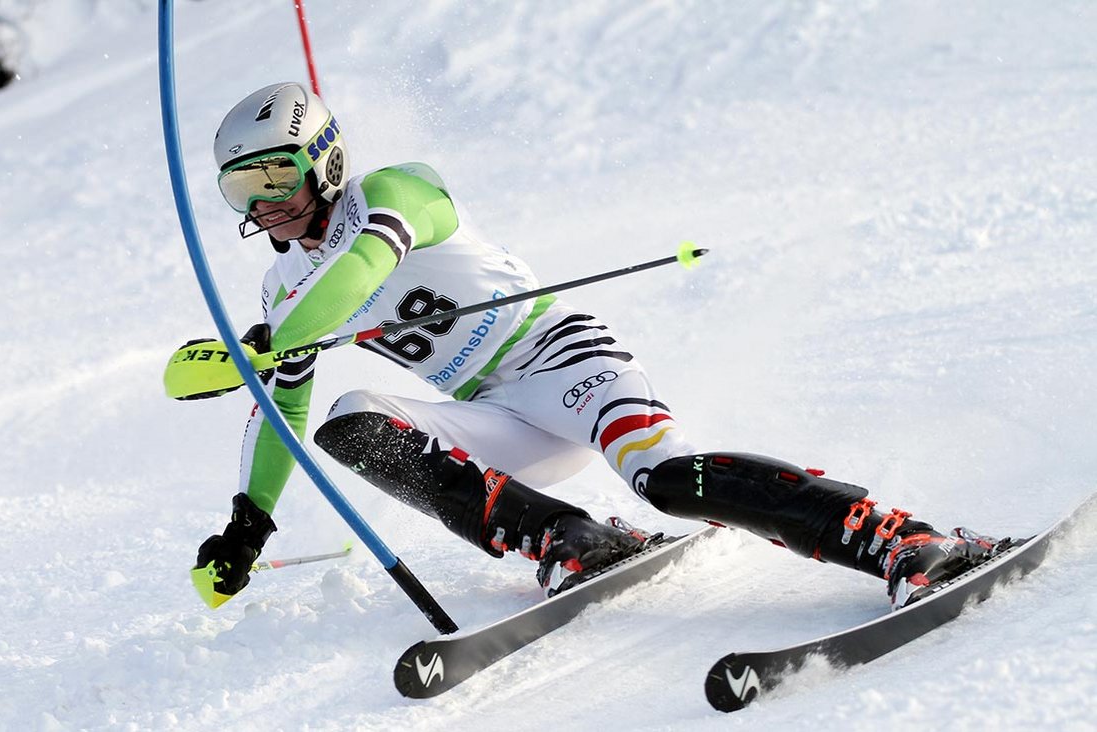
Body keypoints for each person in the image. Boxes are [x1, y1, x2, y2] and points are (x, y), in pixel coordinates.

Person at [173, 82, 1008, 612]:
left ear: (323, 160)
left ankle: (906, 539)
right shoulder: (282, 293)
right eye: (241, 189)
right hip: (496, 416)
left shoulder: (398, 190)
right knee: (348, 421)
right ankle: (569, 540)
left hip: (566, 362)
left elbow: (360, 270)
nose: (264, 201)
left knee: (670, 480)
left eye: (275, 176)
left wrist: (267, 340)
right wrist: (248, 524)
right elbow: (280, 405)